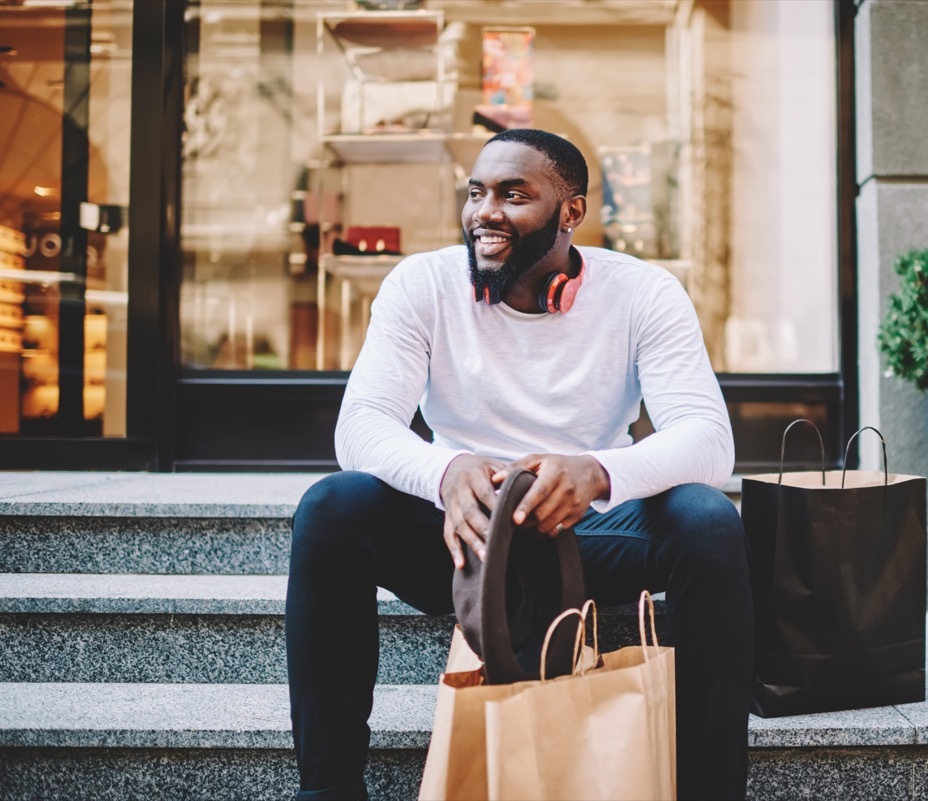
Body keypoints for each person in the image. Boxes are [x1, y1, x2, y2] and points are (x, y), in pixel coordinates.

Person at [286, 128, 754, 801]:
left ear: (572, 212)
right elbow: (360, 426)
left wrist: (597, 472)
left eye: (514, 194)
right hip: (465, 543)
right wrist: (445, 474)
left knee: (707, 520)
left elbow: (709, 440)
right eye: (476, 193)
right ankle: (328, 791)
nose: (485, 211)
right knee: (332, 508)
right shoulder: (421, 285)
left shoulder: (644, 293)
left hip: (589, 537)